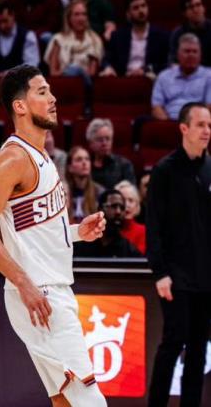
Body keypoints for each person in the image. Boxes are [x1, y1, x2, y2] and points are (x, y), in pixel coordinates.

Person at [0, 64, 108, 407]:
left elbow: (31, 231)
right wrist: (24, 284)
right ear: (20, 105)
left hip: (47, 289)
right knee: (90, 400)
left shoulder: (41, 155)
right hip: (40, 294)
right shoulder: (11, 159)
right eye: (42, 92)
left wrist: (76, 233)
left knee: (65, 400)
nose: (53, 98)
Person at [146, 102, 211, 407]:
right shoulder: (165, 171)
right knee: (173, 342)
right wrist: (160, 272)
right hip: (175, 275)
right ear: (184, 128)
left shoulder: (210, 168)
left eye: (209, 125)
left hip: (206, 276)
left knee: (199, 349)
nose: (207, 131)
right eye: (200, 125)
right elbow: (154, 226)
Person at [101, 0, 169, 77]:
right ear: (128, 14)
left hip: (148, 79)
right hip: (124, 79)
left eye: (143, 6)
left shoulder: (161, 36)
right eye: (135, 8)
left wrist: (146, 70)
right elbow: (106, 60)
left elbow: (165, 63)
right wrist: (108, 67)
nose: (141, 11)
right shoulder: (118, 36)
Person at [44, 0, 103, 86]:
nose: (81, 18)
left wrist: (79, 72)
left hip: (85, 86)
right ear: (69, 18)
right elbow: (53, 73)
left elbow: (92, 73)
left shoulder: (94, 39)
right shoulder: (58, 39)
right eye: (76, 14)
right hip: (62, 85)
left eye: (84, 14)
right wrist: (68, 72)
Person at [152, 33, 211, 120]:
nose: (191, 55)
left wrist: (192, 125)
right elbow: (156, 107)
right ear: (178, 54)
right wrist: (168, 124)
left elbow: (209, 107)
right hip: (169, 121)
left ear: (200, 55)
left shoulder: (209, 76)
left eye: (195, 51)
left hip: (197, 122)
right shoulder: (164, 76)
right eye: (187, 51)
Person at [74, 189, 142, 257]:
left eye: (122, 208)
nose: (118, 212)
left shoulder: (129, 251)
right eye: (113, 206)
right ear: (100, 209)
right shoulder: (83, 244)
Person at [86, 118, 136, 188]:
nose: (104, 143)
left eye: (108, 139)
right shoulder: (84, 165)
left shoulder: (124, 165)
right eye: (100, 140)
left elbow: (131, 191)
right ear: (90, 143)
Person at [169, 0, 211, 67]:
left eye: (198, 5)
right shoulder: (178, 34)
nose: (195, 10)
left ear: (204, 8)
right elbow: (173, 62)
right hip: (187, 73)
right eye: (191, 7)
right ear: (184, 13)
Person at [65, 145, 104, 223]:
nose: (84, 162)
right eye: (79, 159)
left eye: (87, 159)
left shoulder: (99, 191)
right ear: (70, 167)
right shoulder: (64, 191)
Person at [114, 180, 146, 254]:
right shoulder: (108, 231)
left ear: (137, 205)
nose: (127, 205)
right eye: (122, 200)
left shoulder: (144, 231)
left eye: (131, 200)